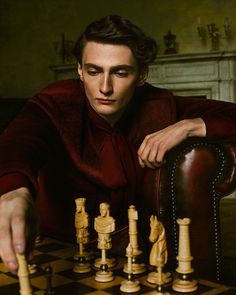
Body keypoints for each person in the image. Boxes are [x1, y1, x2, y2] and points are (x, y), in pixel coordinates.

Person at [0, 14, 236, 274]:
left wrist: (190, 125)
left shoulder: (157, 105)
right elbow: (20, 140)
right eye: (93, 71)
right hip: (62, 251)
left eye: (120, 73)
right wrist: (14, 191)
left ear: (142, 75)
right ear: (79, 70)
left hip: (136, 255)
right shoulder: (56, 103)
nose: (105, 87)